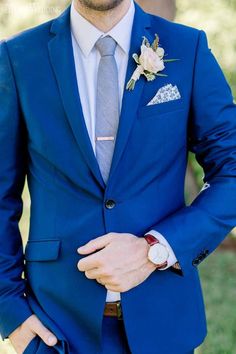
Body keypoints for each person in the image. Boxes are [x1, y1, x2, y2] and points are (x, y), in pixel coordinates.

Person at [0, 0, 235, 353]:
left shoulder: (188, 48)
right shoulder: (18, 58)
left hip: (164, 324)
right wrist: (11, 312)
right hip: (55, 328)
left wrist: (155, 249)